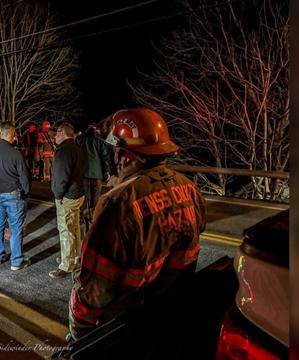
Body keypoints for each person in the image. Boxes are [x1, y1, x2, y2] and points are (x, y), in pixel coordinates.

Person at [68, 108, 206, 341]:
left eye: (116, 150)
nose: (113, 156)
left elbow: (95, 286)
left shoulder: (117, 203)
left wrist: (79, 333)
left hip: (126, 323)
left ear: (124, 156)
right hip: (168, 316)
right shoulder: (189, 189)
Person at [0, 123, 31, 271]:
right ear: (12, 135)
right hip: (13, 195)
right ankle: (16, 261)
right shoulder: (16, 154)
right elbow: (24, 176)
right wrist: (26, 191)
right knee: (15, 228)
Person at [50, 122, 86, 279]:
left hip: (68, 196)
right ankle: (75, 256)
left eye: (57, 134)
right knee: (75, 228)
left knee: (66, 230)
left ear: (63, 133)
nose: (55, 137)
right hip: (78, 193)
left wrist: (58, 195)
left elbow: (60, 177)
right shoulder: (77, 148)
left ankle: (67, 265)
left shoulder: (63, 151)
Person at [77, 123, 112, 216]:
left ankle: (83, 214)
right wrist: (107, 171)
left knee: (84, 194)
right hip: (97, 173)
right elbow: (104, 158)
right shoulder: (99, 141)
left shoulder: (80, 141)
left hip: (83, 172)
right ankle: (93, 214)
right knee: (96, 195)